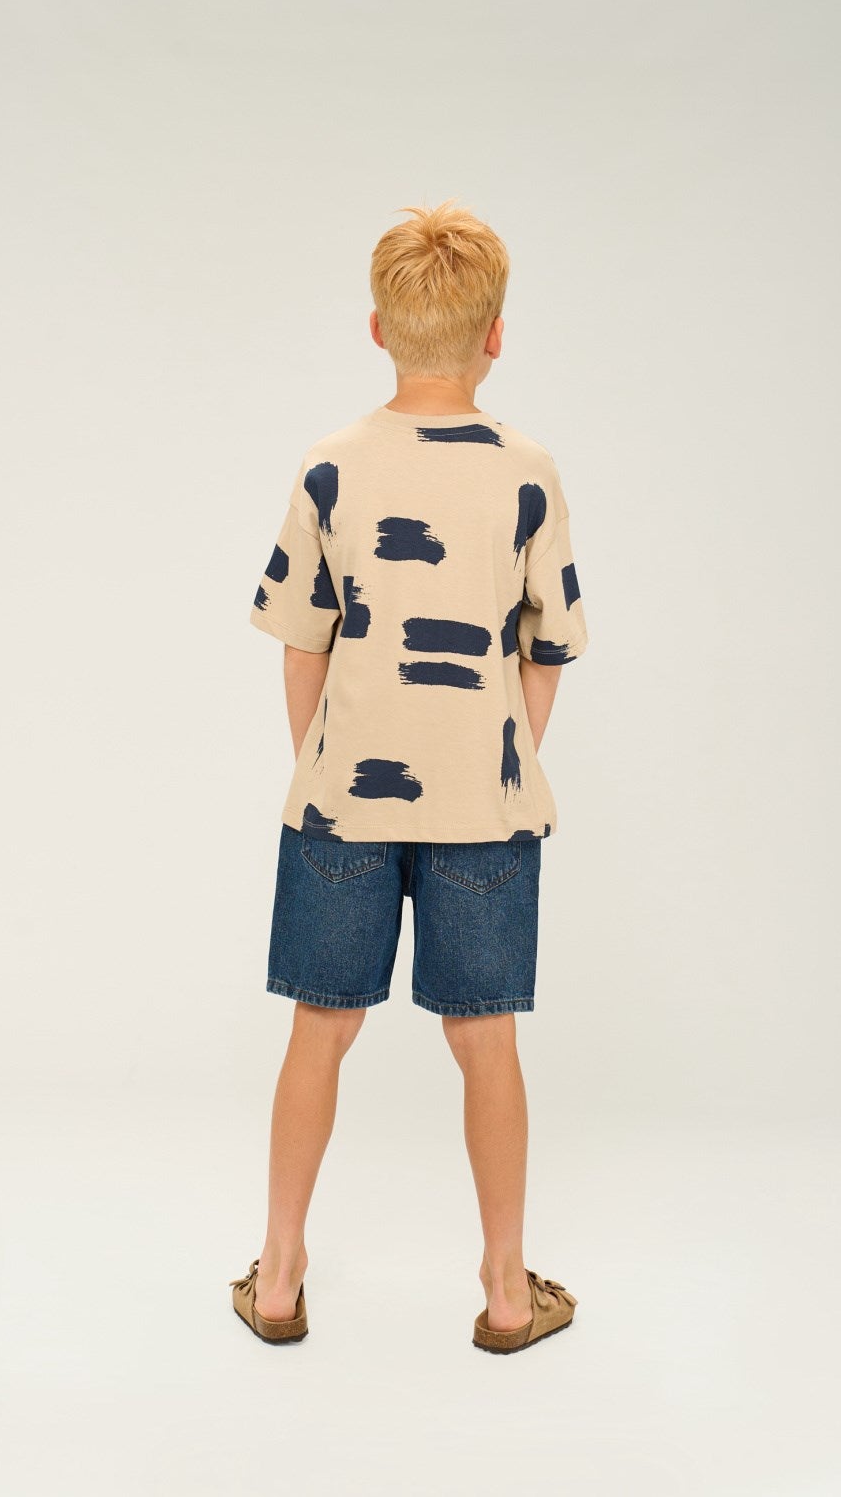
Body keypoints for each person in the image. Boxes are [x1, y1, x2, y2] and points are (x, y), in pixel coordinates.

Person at [230, 201, 588, 1355]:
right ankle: (504, 1290)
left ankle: (278, 1274)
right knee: (487, 1039)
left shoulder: (330, 467)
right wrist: (504, 760)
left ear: (378, 328)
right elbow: (548, 649)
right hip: (484, 802)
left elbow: (303, 644)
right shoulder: (528, 473)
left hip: (344, 796)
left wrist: (321, 760)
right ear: (496, 336)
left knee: (318, 1028)